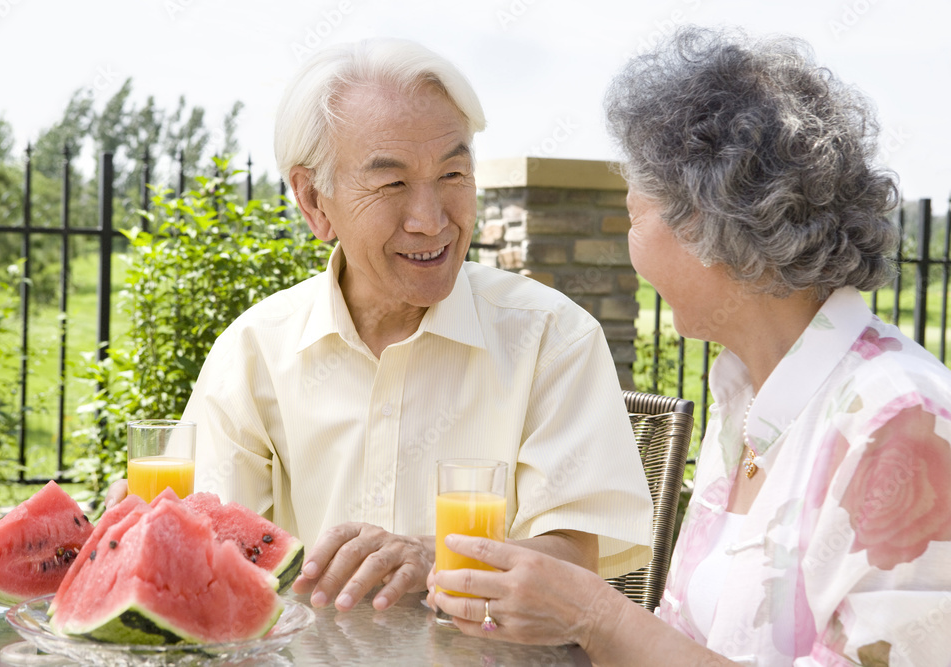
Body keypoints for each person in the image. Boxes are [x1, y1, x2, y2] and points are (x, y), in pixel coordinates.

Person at [428, 26, 951, 666]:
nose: (630, 245)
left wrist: (595, 616)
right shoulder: (750, 401)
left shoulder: (903, 421)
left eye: (632, 215)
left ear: (701, 222)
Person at [106, 38, 653, 613]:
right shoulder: (255, 350)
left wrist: (436, 558)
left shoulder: (552, 338)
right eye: (392, 184)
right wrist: (146, 535)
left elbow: (573, 562)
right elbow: (207, 548)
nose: (431, 219)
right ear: (314, 201)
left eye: (453, 173)